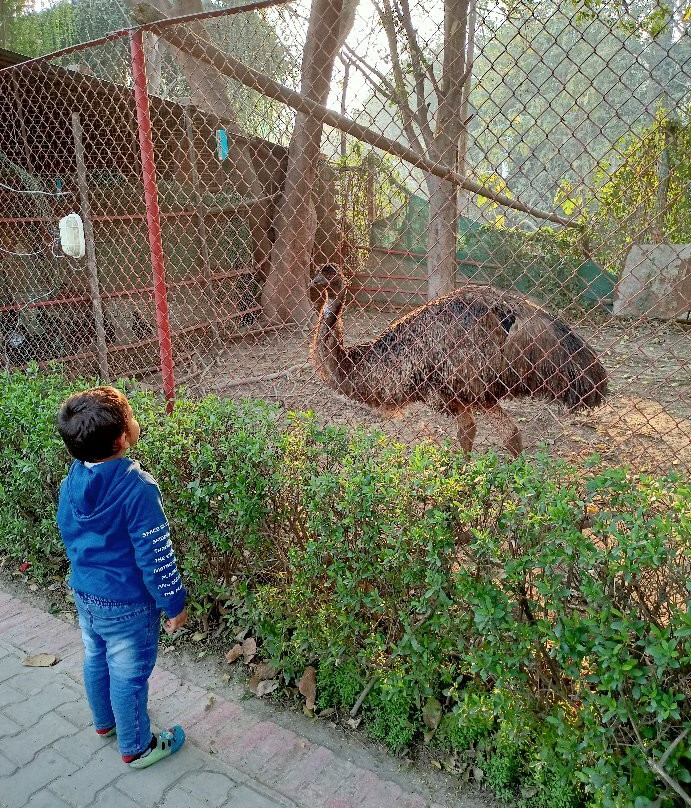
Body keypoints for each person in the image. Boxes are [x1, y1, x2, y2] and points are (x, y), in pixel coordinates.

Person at [56, 385, 188, 769]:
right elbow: (155, 555)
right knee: (129, 675)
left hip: (85, 594)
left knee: (96, 656)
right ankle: (137, 747)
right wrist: (174, 603)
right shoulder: (137, 488)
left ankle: (105, 724)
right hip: (128, 606)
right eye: (131, 417)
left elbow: (67, 529)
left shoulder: (74, 480)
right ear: (121, 438)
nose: (134, 421)